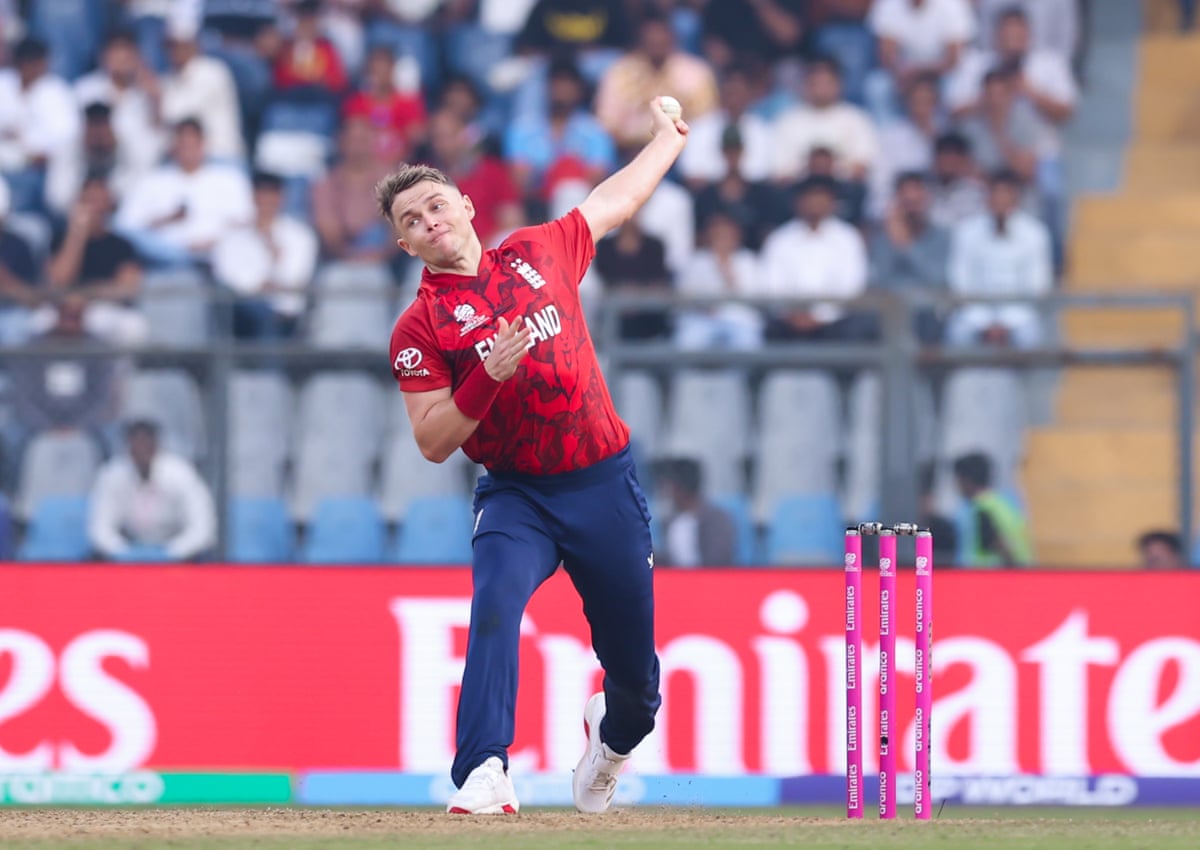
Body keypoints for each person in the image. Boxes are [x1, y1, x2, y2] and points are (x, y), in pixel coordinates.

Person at [381, 96, 689, 815]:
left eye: (435, 206)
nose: (430, 222)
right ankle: (485, 768)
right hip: (517, 493)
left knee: (638, 688)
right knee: (494, 605)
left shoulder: (538, 250)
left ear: (464, 205)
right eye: (411, 222)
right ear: (407, 248)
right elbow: (431, 441)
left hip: (603, 484)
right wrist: (485, 378)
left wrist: (667, 142)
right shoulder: (418, 328)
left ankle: (609, 743)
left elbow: (612, 201)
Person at [88, 418, 217, 562]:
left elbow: (202, 529)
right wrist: (124, 553)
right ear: (128, 447)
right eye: (136, 445)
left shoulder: (181, 475)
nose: (142, 451)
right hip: (127, 556)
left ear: (156, 446)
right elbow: (100, 529)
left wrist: (171, 553)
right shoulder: (112, 475)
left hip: (178, 556)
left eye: (147, 444)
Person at [953, 451, 1033, 567]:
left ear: (966, 480)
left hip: (991, 579)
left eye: (957, 480)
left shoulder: (981, 509)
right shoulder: (1005, 503)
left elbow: (1003, 547)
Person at [654, 457, 737, 567]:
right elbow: (671, 561)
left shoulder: (717, 520)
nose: (667, 493)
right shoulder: (670, 521)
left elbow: (718, 561)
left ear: (680, 488)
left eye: (669, 486)